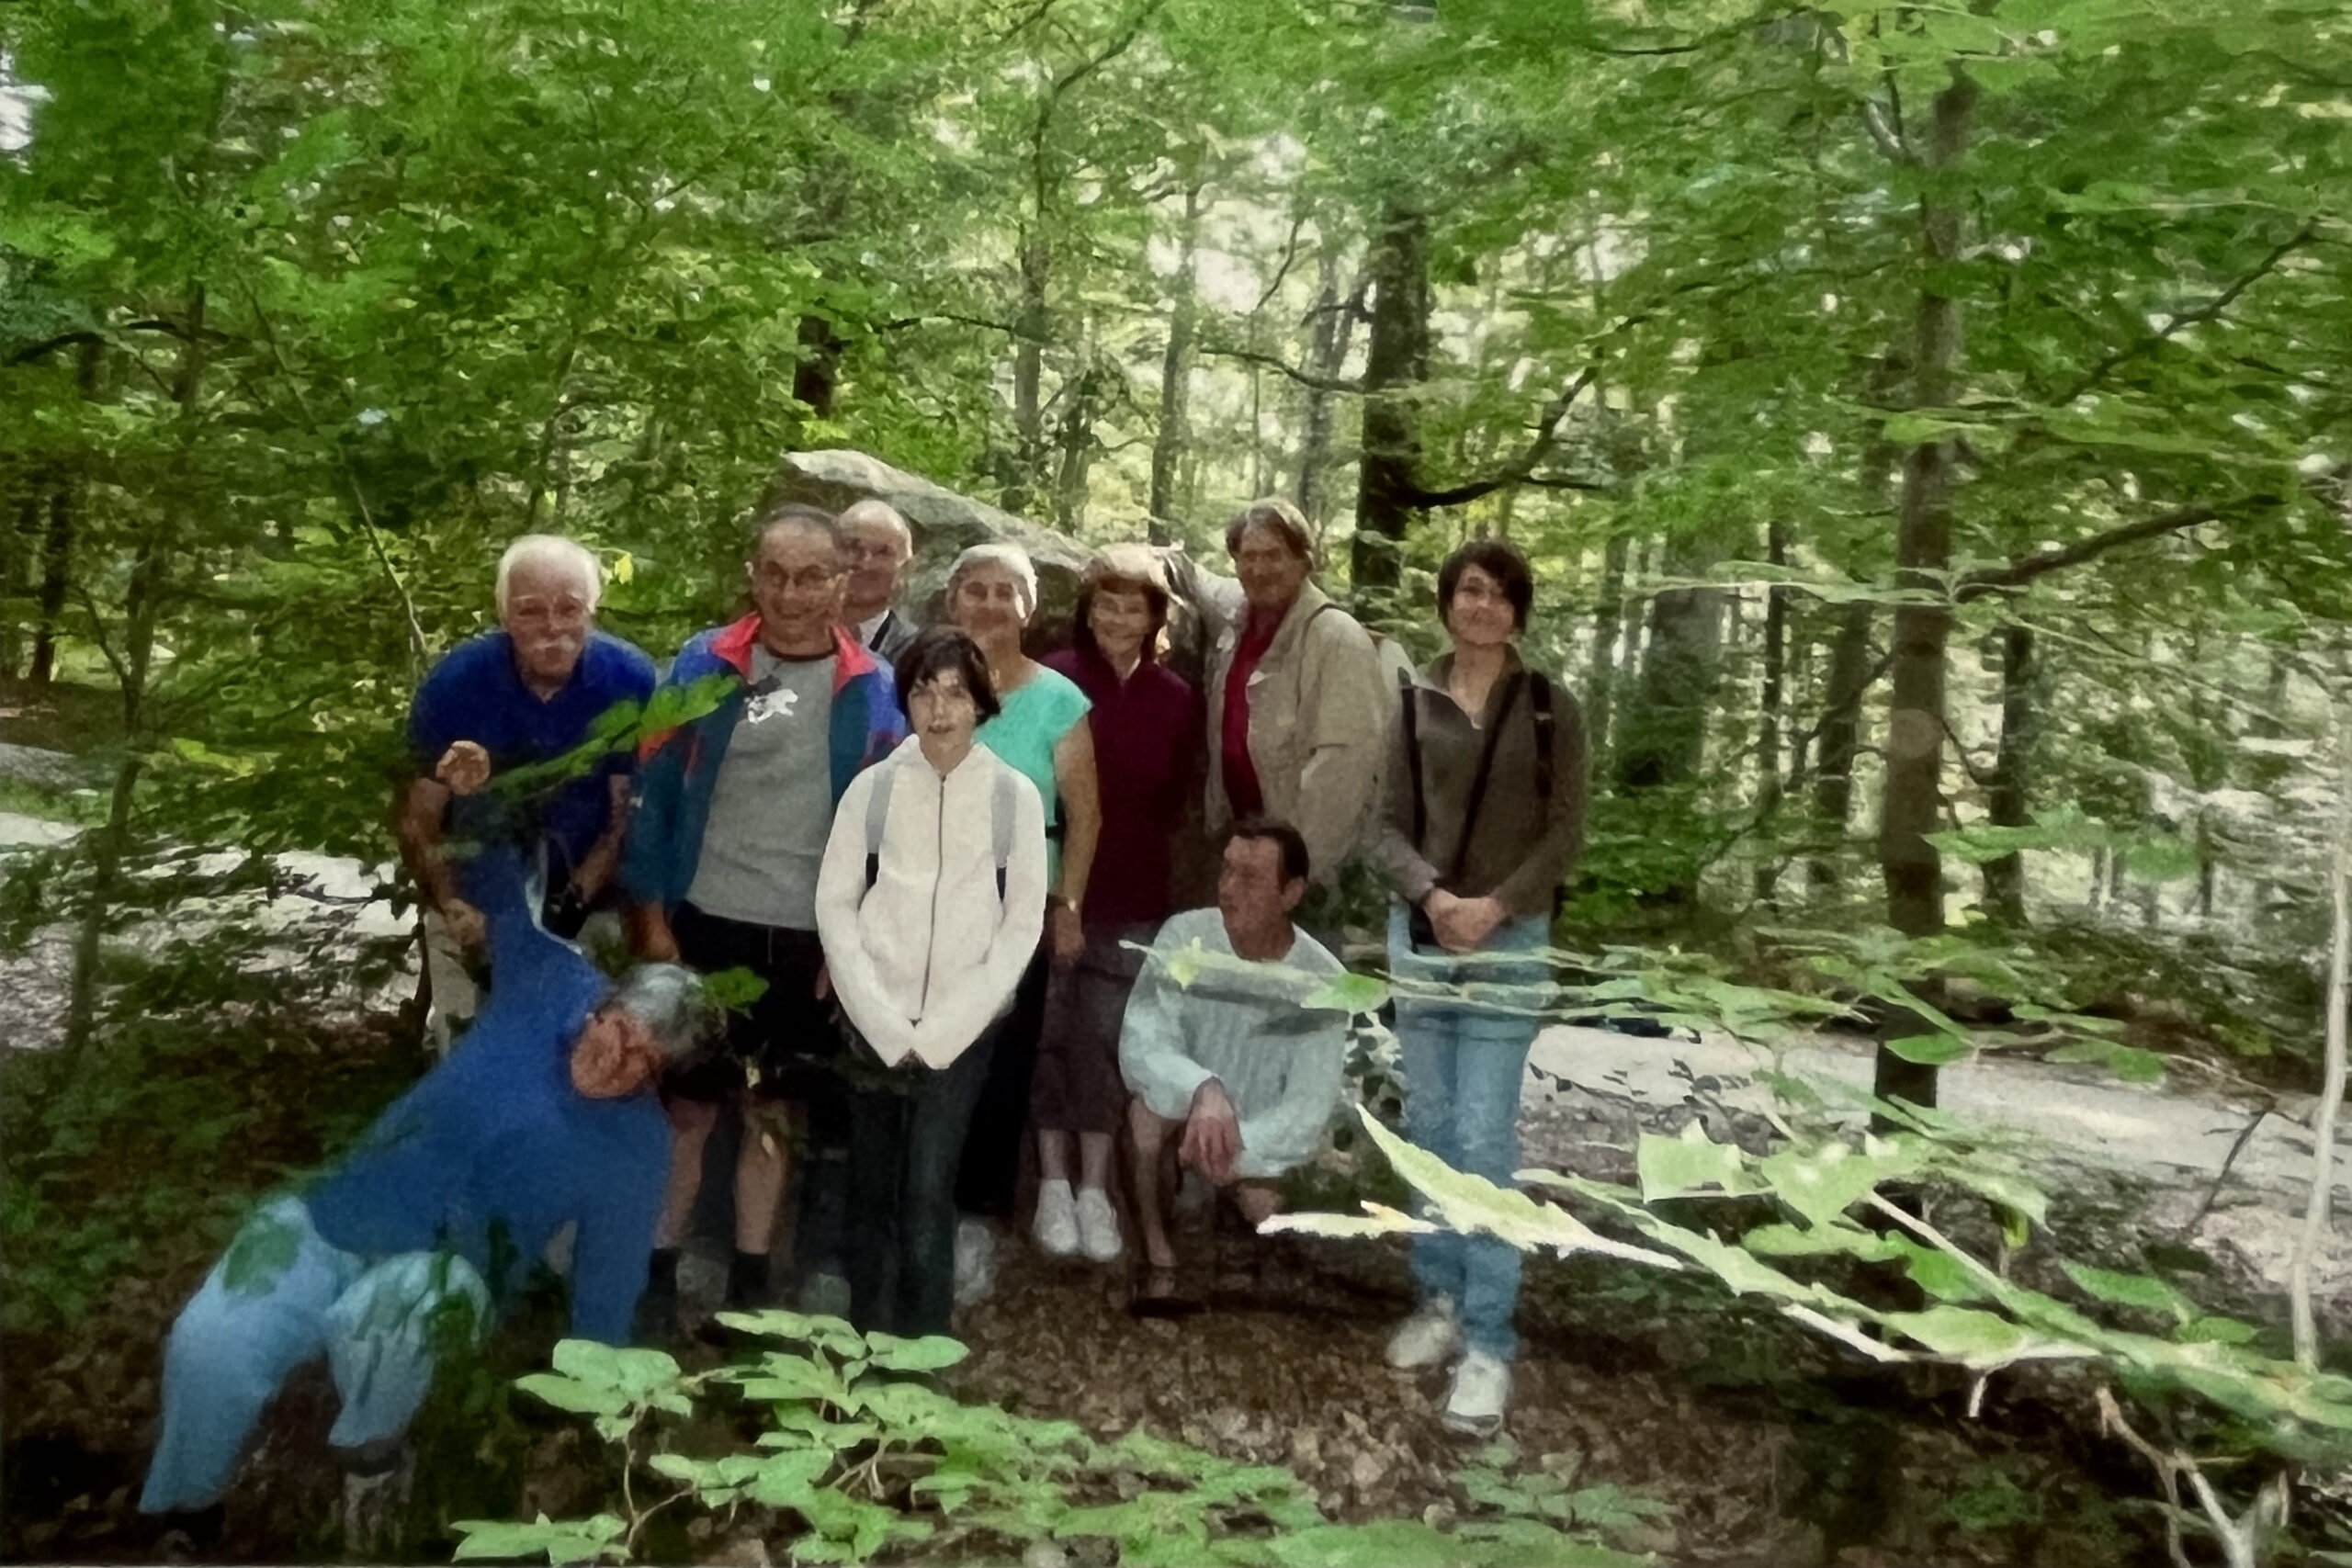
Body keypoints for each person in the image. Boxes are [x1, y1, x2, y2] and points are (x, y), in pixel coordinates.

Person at [138, 851, 716, 1551]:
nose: (615, 1060)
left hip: (452, 1272)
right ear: (600, 1007)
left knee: (395, 1315)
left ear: (657, 1079)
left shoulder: (636, 1145)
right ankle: (190, 1509)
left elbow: (610, 1281)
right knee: (210, 1342)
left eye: (643, 1062)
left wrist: (598, 1404)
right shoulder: (551, 981)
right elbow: (486, 870)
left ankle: (374, 1462)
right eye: (618, 1032)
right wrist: (464, 805)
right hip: (338, 1212)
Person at [620, 504, 907, 1336]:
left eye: (811, 576)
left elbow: (884, 828)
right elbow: (653, 794)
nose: (790, 592)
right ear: (752, 575)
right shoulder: (705, 663)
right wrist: (651, 918)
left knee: (772, 1113)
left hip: (805, 935)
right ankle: (655, 1275)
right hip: (702, 918)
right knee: (685, 1110)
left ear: (842, 583)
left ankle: (748, 1288)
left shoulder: (872, 685)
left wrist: (852, 943)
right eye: (775, 573)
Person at [1368, 537, 1586, 1437]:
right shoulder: (1410, 700)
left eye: (1498, 593)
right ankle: (1440, 1299)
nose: (1481, 606)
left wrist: (1494, 906)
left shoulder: (1551, 707)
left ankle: (1490, 1340)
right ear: (1446, 602)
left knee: (1484, 1136)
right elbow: (1383, 825)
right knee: (1429, 1125)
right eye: (1467, 590)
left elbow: (1565, 832)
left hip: (1511, 938)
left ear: (1518, 609)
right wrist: (1433, 896)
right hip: (1422, 935)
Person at [815, 628, 1047, 1336]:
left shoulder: (1012, 796)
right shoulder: (874, 789)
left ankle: (921, 1358)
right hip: (870, 1022)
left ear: (981, 703)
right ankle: (864, 1344)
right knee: (869, 1186)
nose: (939, 709)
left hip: (963, 1028)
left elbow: (1022, 921)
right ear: (905, 700)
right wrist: (879, 1017)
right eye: (923, 691)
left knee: (926, 1190)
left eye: (955, 693)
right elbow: (836, 904)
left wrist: (948, 1028)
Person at [397, 534, 656, 1047]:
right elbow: (418, 817)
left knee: (581, 1053)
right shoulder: (457, 683)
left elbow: (626, 818)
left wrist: (565, 911)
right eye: (531, 611)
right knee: (472, 1051)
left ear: (593, 610)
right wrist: (451, 904)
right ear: (504, 616)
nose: (552, 627)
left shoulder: (630, 680)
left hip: (593, 904)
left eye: (569, 608)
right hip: (473, 903)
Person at [1031, 546, 1202, 1264]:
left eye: (1134, 607)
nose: (1118, 618)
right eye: (1107, 603)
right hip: (1053, 886)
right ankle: (1052, 1180)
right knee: (1046, 1032)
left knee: (1106, 1038)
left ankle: (1095, 1187)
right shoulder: (1053, 678)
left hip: (1134, 891)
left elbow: (1178, 797)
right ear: (1087, 608)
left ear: (1155, 618)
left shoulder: (1176, 697)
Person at [939, 543, 1102, 1295]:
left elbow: (1086, 815)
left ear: (1029, 609)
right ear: (951, 601)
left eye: (1006, 592)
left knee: (1003, 1066)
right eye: (975, 590)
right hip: (926, 897)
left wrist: (1068, 905)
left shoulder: (1058, 700)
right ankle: (914, 1210)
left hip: (1017, 900)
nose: (989, 605)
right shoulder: (926, 682)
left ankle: (974, 1221)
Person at [1119, 818, 1349, 1304]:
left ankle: (1245, 1234)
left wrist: (1234, 1150)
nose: (1227, 889)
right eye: (1226, 871)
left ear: (1291, 893)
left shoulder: (1324, 981)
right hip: (1190, 1112)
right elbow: (1144, 1039)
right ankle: (1158, 1259)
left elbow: (1307, 1108)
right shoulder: (1185, 935)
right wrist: (1203, 1088)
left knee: (1267, 1210)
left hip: (1255, 1135)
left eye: (1250, 878)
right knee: (1142, 1123)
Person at [1202, 500, 1388, 920]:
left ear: (1305, 561)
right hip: (1245, 847)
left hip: (1303, 869)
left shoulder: (1335, 638)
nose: (1259, 569)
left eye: (1274, 555)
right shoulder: (1241, 625)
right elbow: (1204, 584)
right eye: (1248, 557)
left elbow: (1344, 771)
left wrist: (1295, 872)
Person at [838, 498, 922, 662]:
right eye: (853, 548)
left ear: (906, 567)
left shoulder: (919, 654)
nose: (866, 564)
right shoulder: (791, 635)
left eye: (883, 552)